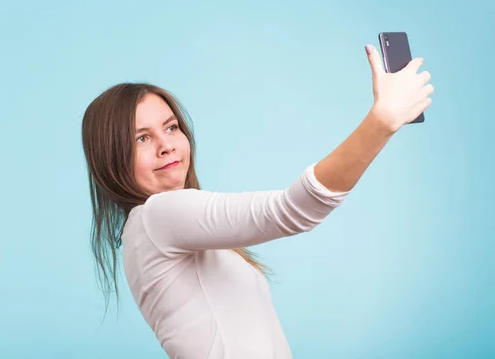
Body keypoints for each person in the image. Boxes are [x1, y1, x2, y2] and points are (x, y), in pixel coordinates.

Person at [81, 45, 433, 358]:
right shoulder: (156, 217)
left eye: (171, 127)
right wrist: (381, 122)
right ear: (113, 158)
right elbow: (293, 210)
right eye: (142, 138)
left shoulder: (158, 229)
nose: (166, 144)